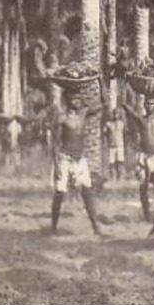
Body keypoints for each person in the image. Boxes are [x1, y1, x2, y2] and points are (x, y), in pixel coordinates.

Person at [47, 93, 105, 235]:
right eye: (74, 98)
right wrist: (57, 165)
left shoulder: (84, 114)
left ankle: (96, 227)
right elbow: (55, 143)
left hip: (80, 159)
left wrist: (102, 84)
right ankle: (53, 227)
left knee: (87, 192)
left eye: (79, 98)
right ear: (68, 100)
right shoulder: (63, 118)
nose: (77, 101)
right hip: (65, 158)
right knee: (60, 193)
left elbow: (103, 105)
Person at [124, 94, 154, 221]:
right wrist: (125, 87)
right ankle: (146, 215)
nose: (149, 106)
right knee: (143, 187)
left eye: (152, 103)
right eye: (147, 103)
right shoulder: (141, 119)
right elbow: (127, 108)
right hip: (143, 156)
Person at [104, 105, 128, 182]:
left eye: (117, 114)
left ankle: (120, 177)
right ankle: (112, 177)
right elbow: (105, 134)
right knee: (111, 162)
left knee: (120, 162)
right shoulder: (108, 124)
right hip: (111, 146)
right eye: (114, 114)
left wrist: (126, 145)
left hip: (120, 145)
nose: (115, 115)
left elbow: (125, 134)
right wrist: (106, 142)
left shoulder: (122, 124)